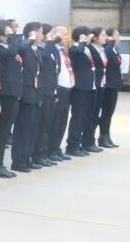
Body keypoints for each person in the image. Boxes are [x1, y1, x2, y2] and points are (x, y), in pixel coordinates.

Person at [0, 20, 23, 178]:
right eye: (9, 33)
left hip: (14, 92)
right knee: (0, 131)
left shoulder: (10, 48)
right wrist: (14, 39)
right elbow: (10, 53)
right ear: (1, 36)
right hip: (5, 94)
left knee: (5, 131)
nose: (13, 35)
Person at [10, 22, 44, 173]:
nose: (42, 35)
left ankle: (27, 158)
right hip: (26, 93)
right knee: (23, 129)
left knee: (32, 129)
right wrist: (30, 39)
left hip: (36, 92)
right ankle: (18, 161)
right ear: (33, 33)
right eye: (40, 32)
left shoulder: (37, 49)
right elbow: (22, 49)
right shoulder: (24, 47)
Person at [66, 26, 99, 157]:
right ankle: (72, 146)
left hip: (89, 87)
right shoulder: (74, 49)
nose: (91, 37)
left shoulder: (86, 49)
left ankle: (79, 143)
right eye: (89, 35)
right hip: (79, 88)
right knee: (78, 118)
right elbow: (76, 54)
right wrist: (82, 42)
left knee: (85, 117)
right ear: (82, 36)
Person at [32, 24, 59, 166]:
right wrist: (49, 42)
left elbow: (56, 67)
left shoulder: (50, 48)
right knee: (41, 126)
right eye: (51, 34)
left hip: (51, 90)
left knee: (47, 125)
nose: (53, 36)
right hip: (43, 91)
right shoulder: (41, 49)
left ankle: (43, 154)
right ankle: (37, 155)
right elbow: (46, 60)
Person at [47, 26, 74, 161]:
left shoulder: (64, 50)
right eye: (63, 34)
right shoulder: (52, 49)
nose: (66, 37)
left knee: (63, 121)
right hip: (59, 89)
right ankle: (50, 149)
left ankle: (57, 148)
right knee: (55, 121)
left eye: (67, 34)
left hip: (67, 89)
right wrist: (53, 40)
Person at [84, 27, 108, 153]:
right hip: (94, 84)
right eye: (103, 35)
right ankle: (88, 141)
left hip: (101, 84)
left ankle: (90, 140)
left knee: (96, 114)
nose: (106, 37)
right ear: (95, 37)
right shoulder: (91, 49)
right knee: (91, 114)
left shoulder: (102, 49)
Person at [99, 28, 122, 148]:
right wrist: (110, 42)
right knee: (106, 112)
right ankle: (103, 137)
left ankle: (107, 135)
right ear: (110, 37)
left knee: (109, 113)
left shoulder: (114, 50)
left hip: (114, 85)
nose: (119, 38)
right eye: (116, 36)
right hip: (108, 85)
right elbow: (107, 56)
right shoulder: (107, 49)